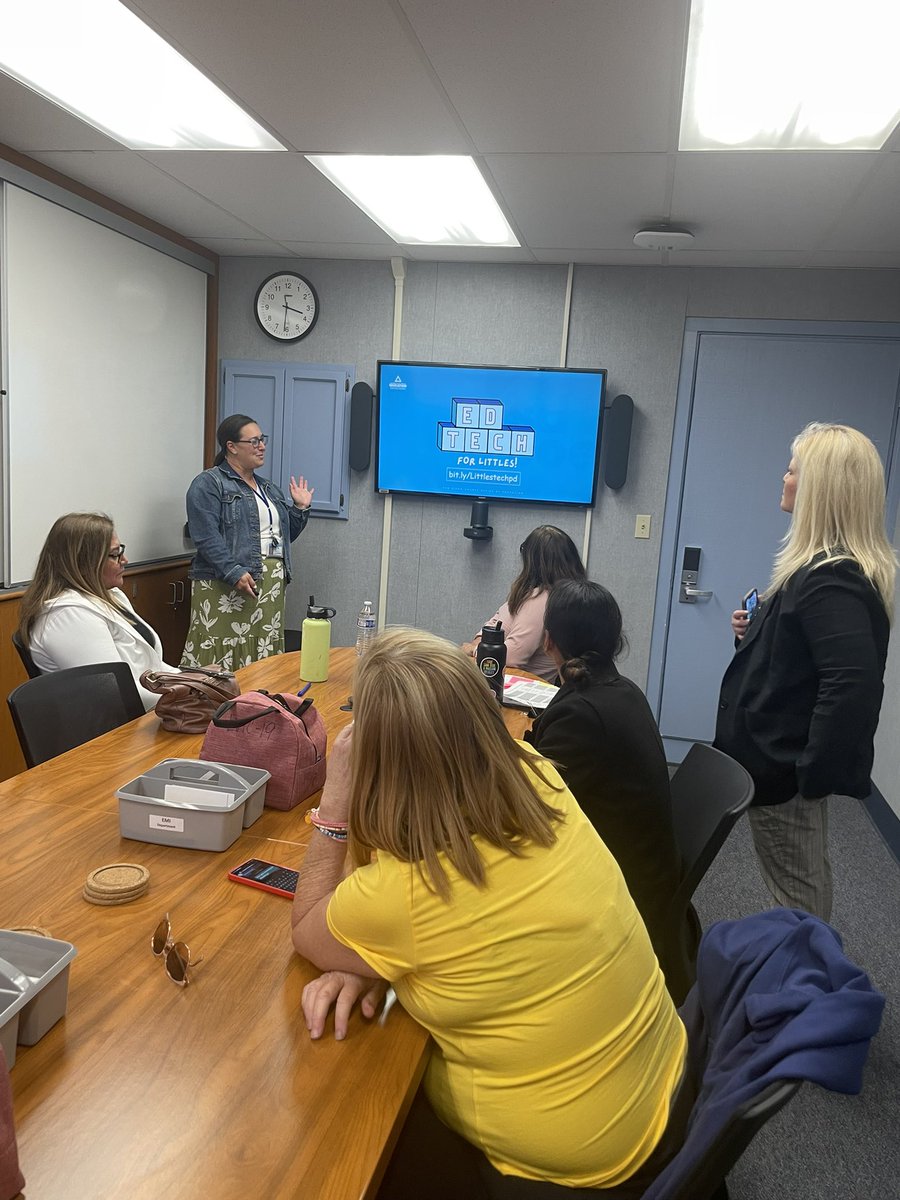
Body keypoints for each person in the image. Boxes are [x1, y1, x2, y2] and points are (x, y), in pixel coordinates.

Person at [292, 629, 689, 1199]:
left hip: (575, 1167)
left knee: (342, 1120)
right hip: (662, 1084)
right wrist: (367, 955)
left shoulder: (405, 894)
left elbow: (309, 927)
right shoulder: (535, 774)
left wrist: (335, 803)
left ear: (379, 765)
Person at [715, 422, 897, 921]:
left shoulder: (830, 577)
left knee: (798, 900)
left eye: (793, 470)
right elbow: (807, 661)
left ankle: (806, 993)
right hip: (778, 765)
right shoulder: (820, 570)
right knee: (797, 884)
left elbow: (852, 685)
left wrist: (808, 774)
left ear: (820, 487)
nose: (785, 477)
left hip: (783, 771)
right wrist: (752, 634)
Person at [525, 579, 692, 993]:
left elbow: (528, 810)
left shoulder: (582, 714)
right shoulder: (620, 691)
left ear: (549, 643)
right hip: (645, 877)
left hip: (621, 902)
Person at [182, 414, 313, 669]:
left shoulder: (269, 488)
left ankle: (257, 703)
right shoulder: (209, 483)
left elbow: (285, 536)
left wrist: (300, 507)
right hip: (226, 582)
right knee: (221, 648)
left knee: (262, 647)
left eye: (262, 440)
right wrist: (234, 572)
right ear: (231, 447)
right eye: (254, 441)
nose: (262, 446)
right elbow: (206, 537)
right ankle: (213, 705)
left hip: (270, 584)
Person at [17, 512, 179, 712]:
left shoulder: (111, 595)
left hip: (146, 714)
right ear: (82, 563)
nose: (125, 560)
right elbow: (114, 692)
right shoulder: (67, 616)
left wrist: (196, 682)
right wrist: (185, 696)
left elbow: (152, 665)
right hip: (113, 731)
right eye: (114, 555)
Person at [462, 525, 586, 682]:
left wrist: (474, 650)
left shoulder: (543, 600)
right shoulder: (535, 594)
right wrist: (481, 643)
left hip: (521, 691)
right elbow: (494, 627)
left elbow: (511, 657)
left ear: (531, 561)